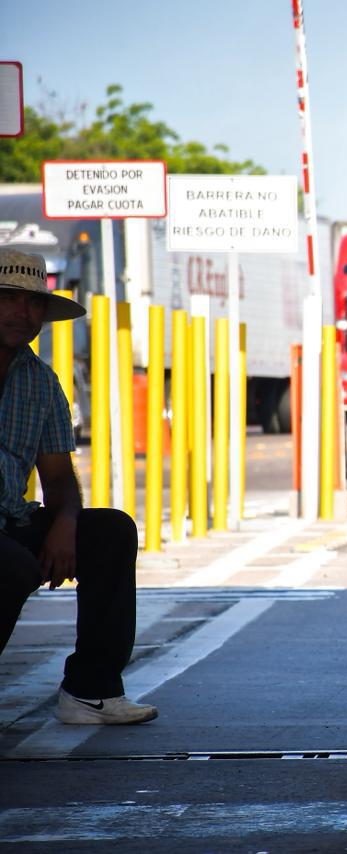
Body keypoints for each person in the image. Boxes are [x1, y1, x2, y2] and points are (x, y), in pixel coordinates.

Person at [0, 249, 157, 725]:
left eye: (33, 302)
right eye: (9, 299)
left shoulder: (41, 382)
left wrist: (65, 522)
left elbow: (58, 477)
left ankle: (91, 691)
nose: (22, 312)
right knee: (14, 566)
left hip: (11, 519)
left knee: (111, 532)